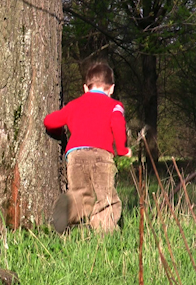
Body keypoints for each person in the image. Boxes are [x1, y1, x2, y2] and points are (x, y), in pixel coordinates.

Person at [44, 62, 132, 234]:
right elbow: (117, 124)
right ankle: (105, 235)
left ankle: (68, 208)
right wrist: (122, 149)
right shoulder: (115, 105)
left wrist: (58, 130)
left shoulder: (74, 105)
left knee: (81, 194)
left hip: (75, 155)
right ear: (111, 88)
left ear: (85, 88)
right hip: (101, 155)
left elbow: (50, 121)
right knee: (105, 198)